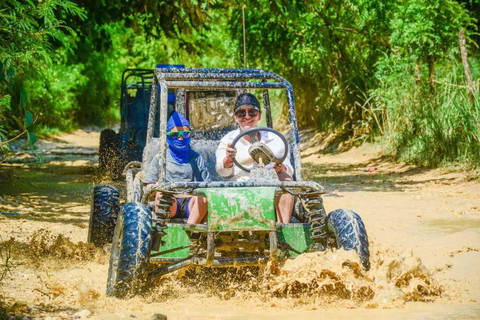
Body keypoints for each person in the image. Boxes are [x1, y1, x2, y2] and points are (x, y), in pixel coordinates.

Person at [215, 93, 295, 223]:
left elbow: (287, 167)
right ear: (235, 117)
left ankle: (283, 227)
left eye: (252, 112)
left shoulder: (275, 138)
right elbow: (221, 170)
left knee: (286, 178)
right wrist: (228, 160)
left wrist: (280, 167)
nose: (247, 117)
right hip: (239, 188)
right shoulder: (227, 141)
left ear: (259, 115)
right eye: (241, 113)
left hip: (270, 185)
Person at [145, 112, 209, 224]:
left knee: (204, 197)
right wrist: (158, 188)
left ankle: (189, 233)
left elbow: (207, 185)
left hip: (191, 203)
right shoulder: (161, 158)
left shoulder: (196, 158)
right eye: (175, 135)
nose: (180, 138)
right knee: (161, 194)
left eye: (185, 134)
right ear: (168, 136)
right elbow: (149, 187)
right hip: (170, 203)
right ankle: (164, 234)